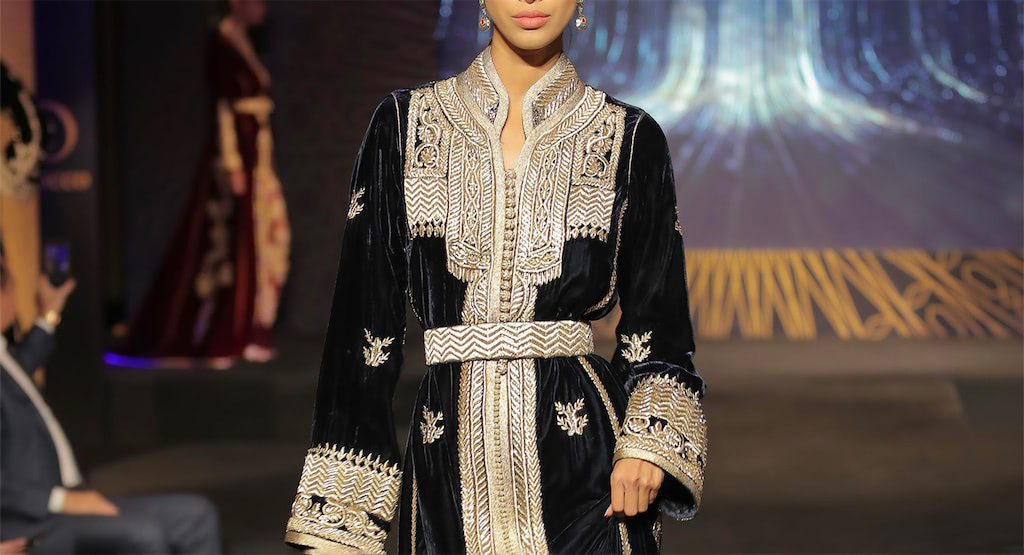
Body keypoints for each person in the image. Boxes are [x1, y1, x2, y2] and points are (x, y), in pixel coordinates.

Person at [283, 0, 709, 553]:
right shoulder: (404, 126)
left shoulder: (630, 137)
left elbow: (659, 320)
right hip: (445, 470)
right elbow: (362, 329)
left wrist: (647, 447)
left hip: (587, 472)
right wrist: (337, 522)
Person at [0, 253, 224, 553]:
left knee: (198, 516)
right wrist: (62, 500)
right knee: (144, 536)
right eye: (11, 288)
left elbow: (23, 364)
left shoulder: (5, 357)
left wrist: (50, 312)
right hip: (32, 519)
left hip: (64, 498)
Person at [112, 0, 290, 368]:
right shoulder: (222, 43)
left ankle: (251, 328)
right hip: (238, 155)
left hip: (256, 153)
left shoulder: (242, 41)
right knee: (232, 239)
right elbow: (223, 107)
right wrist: (232, 162)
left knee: (262, 236)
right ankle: (226, 332)